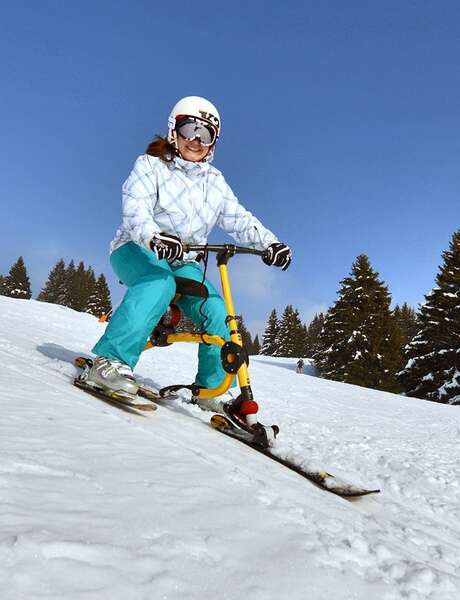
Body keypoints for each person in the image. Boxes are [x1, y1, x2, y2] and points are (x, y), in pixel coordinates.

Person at [86, 96, 292, 412]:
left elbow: (239, 218)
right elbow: (135, 208)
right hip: (137, 248)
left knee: (216, 310)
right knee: (159, 282)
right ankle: (109, 361)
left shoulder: (215, 182)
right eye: (189, 129)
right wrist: (153, 237)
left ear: (213, 143)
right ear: (174, 131)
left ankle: (212, 389)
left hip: (184, 261)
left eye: (205, 134)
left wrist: (270, 243)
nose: (196, 139)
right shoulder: (150, 166)